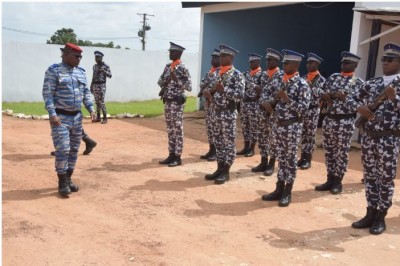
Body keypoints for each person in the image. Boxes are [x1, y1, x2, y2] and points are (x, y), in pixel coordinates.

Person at [350, 43, 400, 235]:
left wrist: (394, 98)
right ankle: (370, 213)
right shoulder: (372, 83)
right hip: (369, 139)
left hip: (389, 140)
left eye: (390, 60)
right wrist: (359, 108)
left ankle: (381, 216)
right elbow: (351, 98)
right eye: (383, 59)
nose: (385, 63)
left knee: (385, 179)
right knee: (370, 177)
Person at [42, 43, 96, 197]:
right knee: (63, 150)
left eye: (80, 56)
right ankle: (62, 182)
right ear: (65, 55)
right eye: (76, 56)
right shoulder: (53, 71)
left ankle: (68, 178)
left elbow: (86, 92)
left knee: (74, 150)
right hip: (60, 118)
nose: (79, 59)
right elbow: (47, 94)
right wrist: (52, 114)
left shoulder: (81, 72)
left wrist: (91, 108)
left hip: (77, 118)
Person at [261, 49, 310, 207]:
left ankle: (288, 191)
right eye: (283, 63)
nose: (284, 66)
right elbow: (264, 93)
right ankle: (278, 188)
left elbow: (304, 109)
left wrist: (287, 99)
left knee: (289, 160)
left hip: (292, 127)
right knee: (281, 159)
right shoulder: (278, 81)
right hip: (277, 125)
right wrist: (267, 103)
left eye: (287, 63)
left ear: (296, 65)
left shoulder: (302, 84)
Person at [315, 51, 364, 194]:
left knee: (341, 153)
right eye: (342, 62)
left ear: (355, 65)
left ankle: (338, 182)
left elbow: (359, 106)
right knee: (329, 151)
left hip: (345, 121)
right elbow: (319, 90)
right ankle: (329, 179)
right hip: (329, 119)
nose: (343, 65)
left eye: (347, 63)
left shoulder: (359, 83)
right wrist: (324, 95)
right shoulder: (333, 77)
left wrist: (344, 98)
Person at [203, 44, 245, 184]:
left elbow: (239, 96)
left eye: (223, 56)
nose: (220, 58)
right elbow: (209, 90)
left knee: (228, 143)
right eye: (219, 56)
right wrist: (208, 93)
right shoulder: (216, 73)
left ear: (231, 57)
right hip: (215, 112)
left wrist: (224, 89)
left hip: (228, 113)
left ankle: (226, 171)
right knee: (219, 142)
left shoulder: (237, 75)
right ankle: (219, 168)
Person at [158, 42, 192, 167]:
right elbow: (160, 81)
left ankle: (178, 157)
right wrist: (166, 80)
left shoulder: (183, 68)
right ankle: (171, 154)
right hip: (167, 101)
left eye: (172, 52)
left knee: (177, 129)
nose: (170, 53)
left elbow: (189, 87)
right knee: (170, 129)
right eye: (170, 51)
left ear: (178, 53)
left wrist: (177, 80)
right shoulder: (168, 67)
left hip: (177, 102)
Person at [253, 48, 284, 175]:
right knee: (262, 136)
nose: (267, 62)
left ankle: (271, 163)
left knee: (273, 138)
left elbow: (281, 94)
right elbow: (258, 89)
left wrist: (270, 102)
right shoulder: (263, 74)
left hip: (273, 111)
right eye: (266, 60)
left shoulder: (282, 76)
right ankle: (263, 160)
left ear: (276, 61)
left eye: (270, 60)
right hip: (261, 110)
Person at [297, 53, 326, 169]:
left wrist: (311, 87)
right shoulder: (303, 78)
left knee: (310, 135)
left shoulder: (322, 80)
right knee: (303, 134)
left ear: (317, 64)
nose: (308, 65)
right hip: (302, 109)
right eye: (307, 63)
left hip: (313, 109)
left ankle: (308, 159)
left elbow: (322, 96)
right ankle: (302, 157)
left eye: (311, 63)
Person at [237, 53, 263, 157]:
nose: (251, 64)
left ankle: (252, 149)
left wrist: (255, 92)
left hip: (255, 105)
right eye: (250, 62)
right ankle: (245, 147)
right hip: (244, 104)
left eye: (253, 62)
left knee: (254, 127)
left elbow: (264, 90)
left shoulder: (262, 75)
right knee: (245, 126)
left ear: (258, 62)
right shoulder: (245, 74)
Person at [198, 48, 221, 161]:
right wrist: (206, 90)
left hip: (215, 105)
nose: (212, 59)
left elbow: (217, 87)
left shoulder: (221, 73)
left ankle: (216, 152)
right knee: (210, 128)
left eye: (215, 58)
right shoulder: (210, 72)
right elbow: (202, 84)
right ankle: (211, 150)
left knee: (216, 129)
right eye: (212, 57)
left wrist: (208, 90)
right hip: (208, 104)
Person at [90, 50, 112, 124]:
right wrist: (91, 85)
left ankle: (105, 118)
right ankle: (98, 117)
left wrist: (104, 71)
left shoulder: (106, 66)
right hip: (95, 85)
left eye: (97, 57)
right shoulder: (94, 66)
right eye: (95, 57)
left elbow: (110, 76)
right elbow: (93, 76)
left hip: (102, 85)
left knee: (101, 101)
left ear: (101, 58)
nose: (96, 59)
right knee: (97, 102)